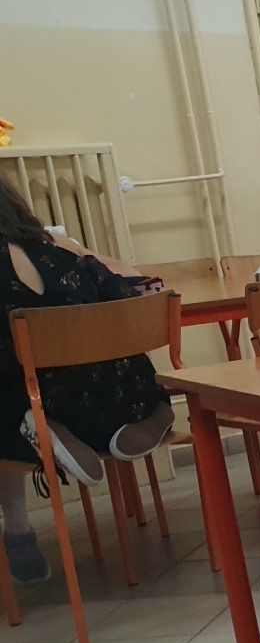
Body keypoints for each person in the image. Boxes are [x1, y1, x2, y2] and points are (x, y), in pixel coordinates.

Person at [0, 179, 175, 583]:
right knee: (143, 386)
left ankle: (18, 527)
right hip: (114, 400)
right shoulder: (64, 250)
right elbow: (142, 287)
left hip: (37, 403)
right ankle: (155, 415)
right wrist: (80, 249)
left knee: (13, 389)